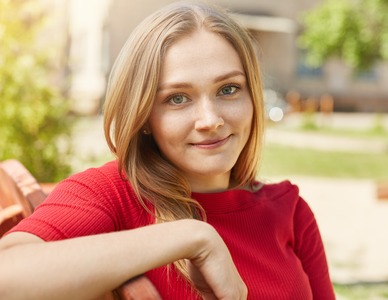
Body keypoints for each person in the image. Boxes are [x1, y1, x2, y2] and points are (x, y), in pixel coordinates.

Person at [0, 1, 335, 299]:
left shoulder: (290, 211)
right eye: (178, 98)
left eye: (229, 89)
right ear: (145, 115)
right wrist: (191, 236)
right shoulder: (112, 194)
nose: (210, 120)